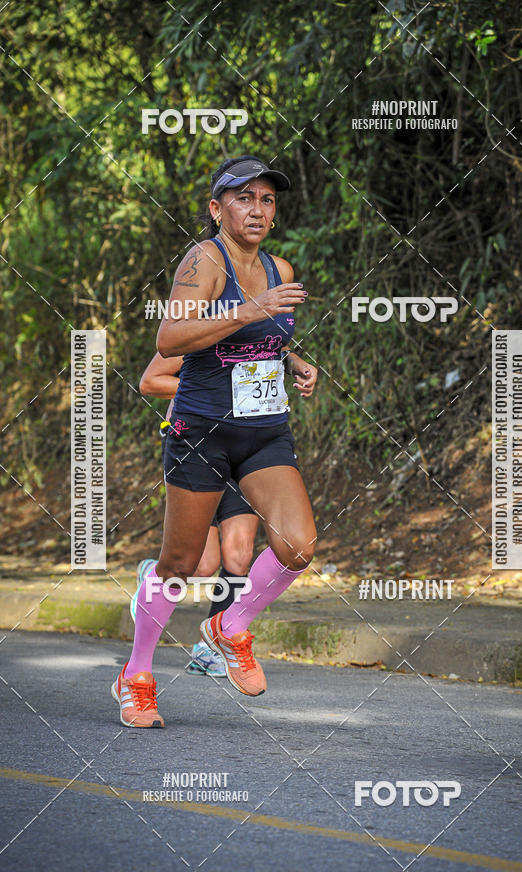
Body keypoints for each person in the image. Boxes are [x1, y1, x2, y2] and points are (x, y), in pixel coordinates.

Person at [112, 154, 318, 727]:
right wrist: (248, 308)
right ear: (216, 208)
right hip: (201, 431)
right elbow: (171, 335)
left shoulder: (279, 267)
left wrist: (293, 361)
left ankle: (229, 624)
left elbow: (262, 341)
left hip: (263, 432)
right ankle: (138, 674)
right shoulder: (205, 259)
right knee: (181, 562)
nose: (257, 209)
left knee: (298, 545)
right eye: (244, 198)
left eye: (267, 199)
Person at [131, 351, 260, 678]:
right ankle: (154, 574)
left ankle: (211, 647)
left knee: (240, 553)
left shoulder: (262, 325)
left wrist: (298, 366)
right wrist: (211, 391)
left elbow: (278, 355)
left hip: (250, 441)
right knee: (200, 564)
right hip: (196, 441)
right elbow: (150, 381)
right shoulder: (195, 326)